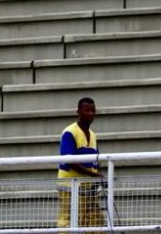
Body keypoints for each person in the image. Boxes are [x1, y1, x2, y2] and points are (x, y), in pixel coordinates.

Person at [57, 97, 104, 231]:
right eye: (86, 110)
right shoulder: (69, 132)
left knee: (94, 221)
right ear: (78, 112)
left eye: (93, 110)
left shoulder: (93, 135)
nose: (90, 113)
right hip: (70, 187)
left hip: (88, 188)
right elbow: (70, 161)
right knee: (69, 222)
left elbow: (96, 160)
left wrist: (98, 174)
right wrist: (94, 175)